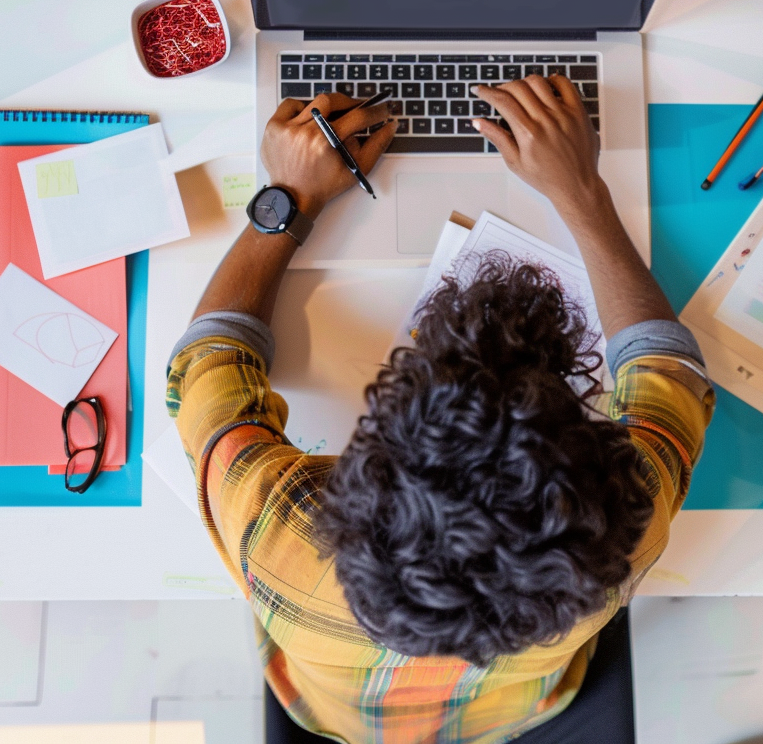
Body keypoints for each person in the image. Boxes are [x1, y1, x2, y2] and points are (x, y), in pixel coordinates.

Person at [166, 75, 715, 744]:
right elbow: (669, 366)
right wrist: (580, 193)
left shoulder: (280, 536)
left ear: (348, 473)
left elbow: (208, 360)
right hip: (523, 709)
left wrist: (294, 197)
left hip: (331, 715)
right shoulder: (621, 531)